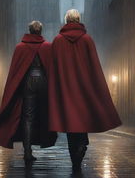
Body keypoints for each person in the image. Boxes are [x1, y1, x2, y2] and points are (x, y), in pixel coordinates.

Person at [49, 9, 122, 172]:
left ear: (66, 21)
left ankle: (75, 157)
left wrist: (54, 89)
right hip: (83, 88)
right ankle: (82, 146)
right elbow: (94, 67)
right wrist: (96, 87)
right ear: (79, 20)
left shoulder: (58, 41)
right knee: (82, 119)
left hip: (66, 89)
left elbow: (52, 67)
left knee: (70, 123)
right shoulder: (87, 40)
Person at [0, 21, 57, 163]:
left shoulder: (20, 47)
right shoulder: (48, 47)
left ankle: (28, 152)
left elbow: (15, 71)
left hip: (27, 82)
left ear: (30, 31)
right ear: (40, 31)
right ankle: (42, 140)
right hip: (43, 82)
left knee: (28, 117)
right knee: (43, 113)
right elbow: (52, 68)